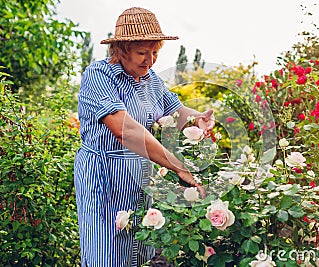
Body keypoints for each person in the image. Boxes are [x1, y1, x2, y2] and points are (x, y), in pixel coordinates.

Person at [74, 6, 214, 267]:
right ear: (121, 50)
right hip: (104, 177)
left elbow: (176, 110)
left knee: (136, 250)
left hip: (138, 174)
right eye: (142, 53)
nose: (149, 60)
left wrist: (198, 119)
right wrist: (177, 165)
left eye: (154, 53)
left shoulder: (150, 79)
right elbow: (124, 130)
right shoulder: (99, 76)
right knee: (105, 253)